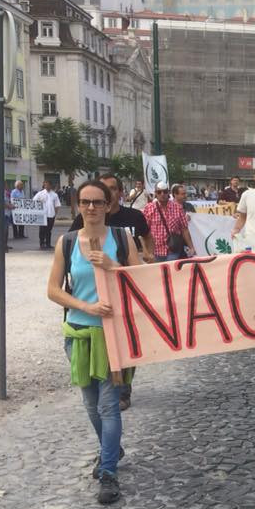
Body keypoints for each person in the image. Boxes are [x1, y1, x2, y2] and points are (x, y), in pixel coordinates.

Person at [46, 179, 141, 504]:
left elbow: (143, 280)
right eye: (85, 202)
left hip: (113, 334)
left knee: (108, 404)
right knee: (90, 405)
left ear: (108, 204)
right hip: (79, 334)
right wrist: (85, 306)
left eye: (97, 202)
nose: (91, 208)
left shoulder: (120, 238)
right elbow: (53, 289)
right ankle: (111, 449)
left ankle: (109, 472)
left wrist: (114, 268)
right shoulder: (67, 242)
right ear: (77, 204)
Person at [69, 174, 153, 410]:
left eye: (111, 190)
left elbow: (146, 237)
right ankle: (106, 399)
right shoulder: (81, 222)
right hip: (92, 308)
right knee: (97, 393)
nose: (93, 205)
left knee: (124, 351)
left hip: (124, 303)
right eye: (87, 201)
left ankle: (123, 389)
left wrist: (147, 252)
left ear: (117, 194)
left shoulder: (133, 219)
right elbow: (71, 252)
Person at [143, 181, 194, 262]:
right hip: (155, 252)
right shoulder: (149, 208)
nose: (162, 194)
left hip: (173, 250)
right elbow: (144, 232)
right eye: (159, 192)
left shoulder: (178, 208)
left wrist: (191, 247)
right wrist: (146, 251)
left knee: (171, 274)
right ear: (155, 193)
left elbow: (184, 229)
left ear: (168, 192)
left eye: (165, 191)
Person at [33, 180, 62, 250]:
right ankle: (42, 244)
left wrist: (55, 213)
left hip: (51, 215)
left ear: (51, 186)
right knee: (42, 230)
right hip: (42, 215)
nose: (46, 186)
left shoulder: (54, 195)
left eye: (48, 184)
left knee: (49, 230)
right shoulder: (40, 193)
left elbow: (57, 205)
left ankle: (48, 244)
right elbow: (33, 201)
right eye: (45, 184)